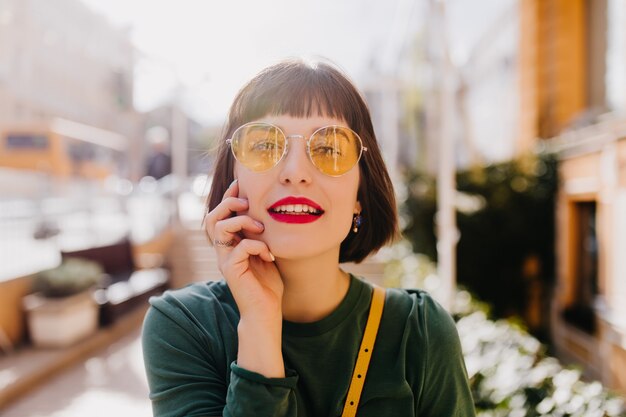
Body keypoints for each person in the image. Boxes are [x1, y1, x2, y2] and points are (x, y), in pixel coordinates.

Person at [142, 58, 476, 417]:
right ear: (231, 180)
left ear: (360, 194)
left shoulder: (421, 331)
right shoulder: (183, 326)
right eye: (265, 146)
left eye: (329, 149)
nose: (295, 173)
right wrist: (258, 319)